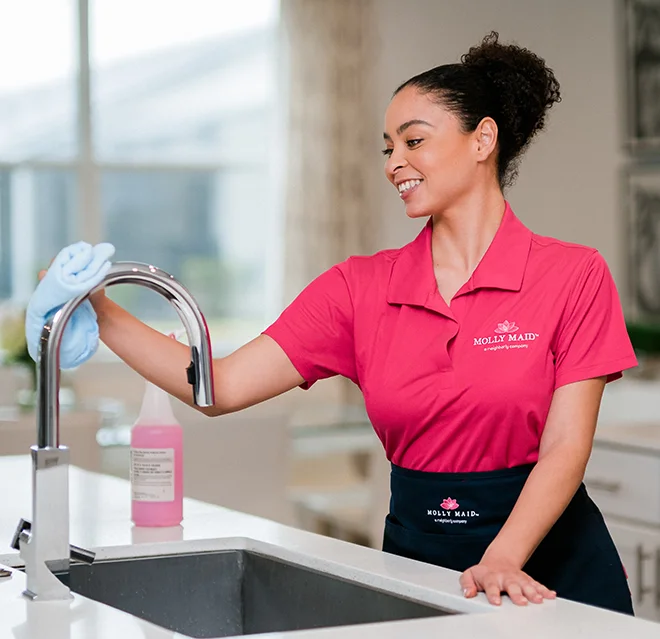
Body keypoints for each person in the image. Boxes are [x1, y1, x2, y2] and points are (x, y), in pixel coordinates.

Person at [27, 32, 637, 614]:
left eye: (414, 141)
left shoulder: (571, 275)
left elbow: (564, 448)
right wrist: (98, 310)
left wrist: (502, 558)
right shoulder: (358, 288)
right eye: (387, 147)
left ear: (483, 141)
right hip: (420, 567)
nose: (394, 160)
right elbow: (222, 386)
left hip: (551, 577)